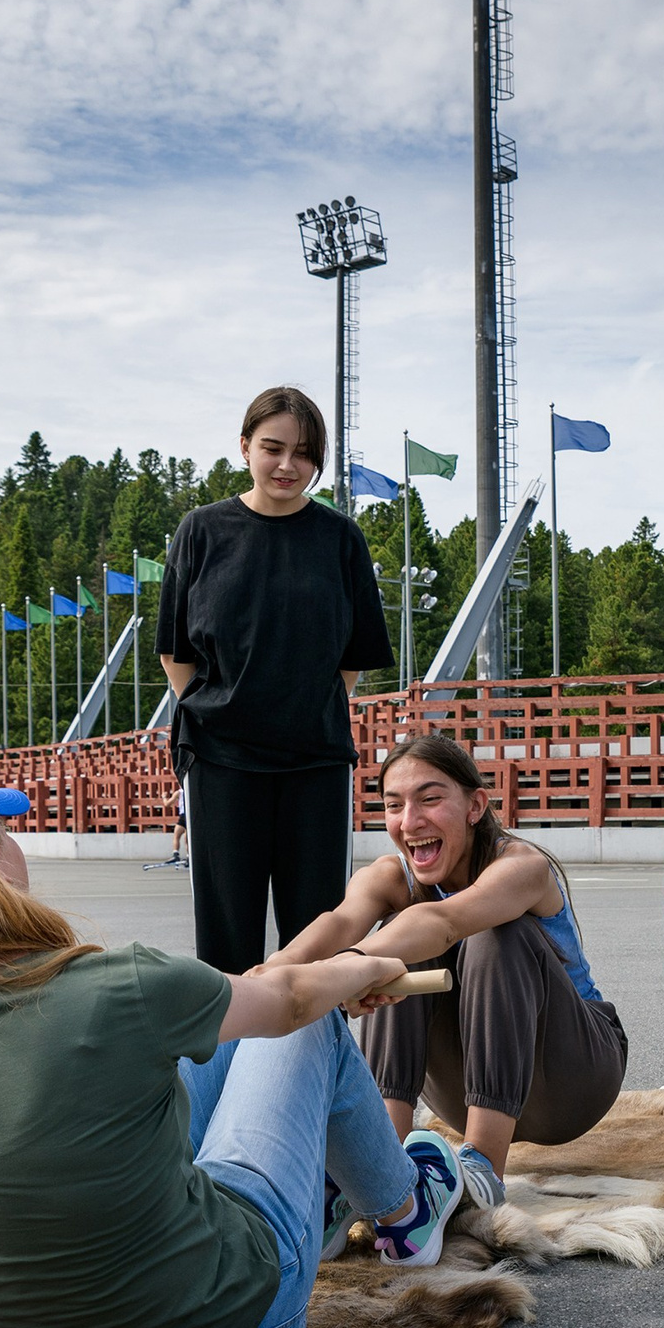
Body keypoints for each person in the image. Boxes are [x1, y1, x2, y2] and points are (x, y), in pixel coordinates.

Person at [0, 757, 470, 1328]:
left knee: (211, 1039)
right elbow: (294, 999)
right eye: (3, 830)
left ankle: (325, 1204)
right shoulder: (115, 986)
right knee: (308, 1026)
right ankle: (404, 1210)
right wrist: (364, 970)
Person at [263, 734, 628, 1198]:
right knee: (398, 935)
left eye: (430, 800)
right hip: (463, 1083)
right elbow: (339, 922)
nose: (410, 822)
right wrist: (272, 976)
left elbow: (444, 921)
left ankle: (481, 1173)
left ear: (475, 806)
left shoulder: (521, 865)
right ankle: (379, 1169)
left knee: (495, 932)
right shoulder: (391, 874)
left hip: (573, 1077)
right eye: (394, 806)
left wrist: (347, 970)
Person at [158, 386, 394, 972]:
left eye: (305, 453)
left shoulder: (340, 539)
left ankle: (316, 1060)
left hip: (314, 758)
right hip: (220, 758)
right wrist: (225, 712)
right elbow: (174, 652)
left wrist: (303, 709)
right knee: (226, 935)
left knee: (318, 934)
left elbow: (354, 653)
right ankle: (225, 1060)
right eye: (273, 448)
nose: (289, 465)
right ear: (244, 447)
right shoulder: (202, 531)